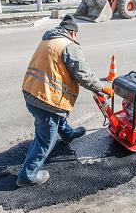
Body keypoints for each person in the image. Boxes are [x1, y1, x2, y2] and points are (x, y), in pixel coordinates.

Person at [16, 14, 114, 187]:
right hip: (45, 99)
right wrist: (103, 88)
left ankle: (68, 134)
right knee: (45, 140)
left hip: (31, 91)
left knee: (57, 115)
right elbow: (84, 76)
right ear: (73, 33)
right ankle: (28, 175)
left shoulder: (48, 41)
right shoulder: (68, 46)